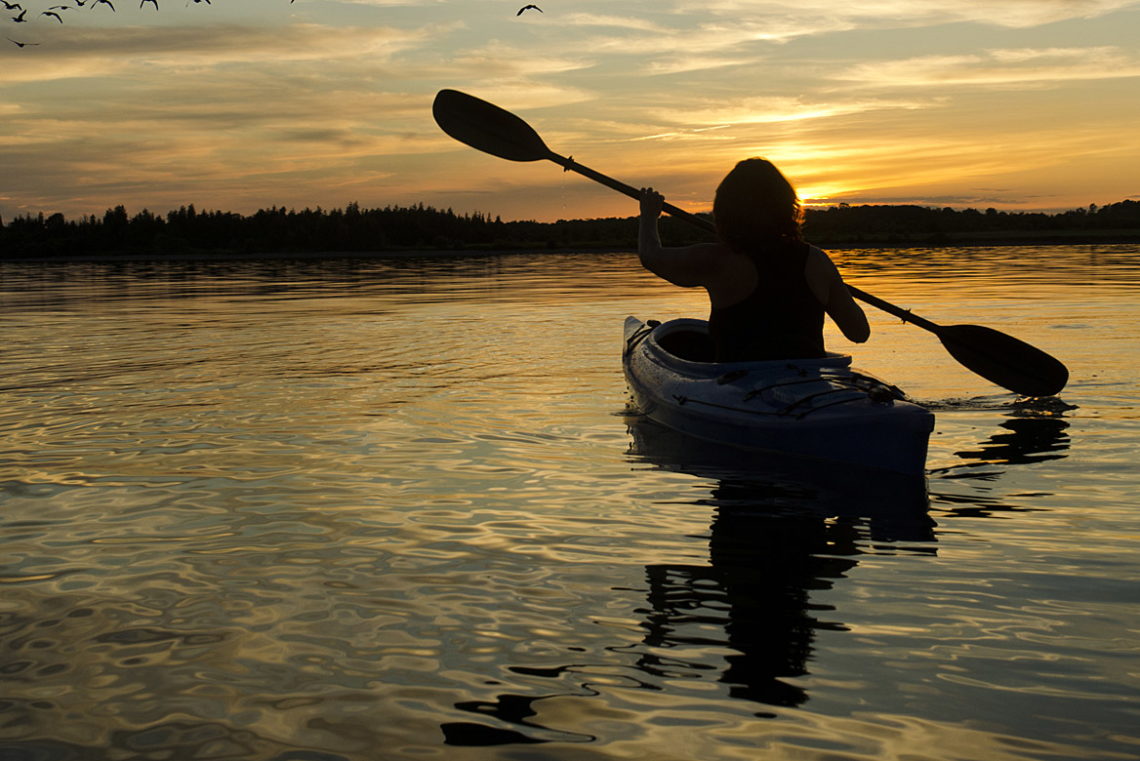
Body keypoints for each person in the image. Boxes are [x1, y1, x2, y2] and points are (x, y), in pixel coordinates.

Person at [638, 158, 870, 362]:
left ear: (725, 209)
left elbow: (650, 255)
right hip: (810, 385)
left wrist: (649, 216)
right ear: (788, 207)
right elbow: (859, 332)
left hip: (740, 391)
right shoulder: (817, 260)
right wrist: (831, 288)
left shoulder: (717, 260)